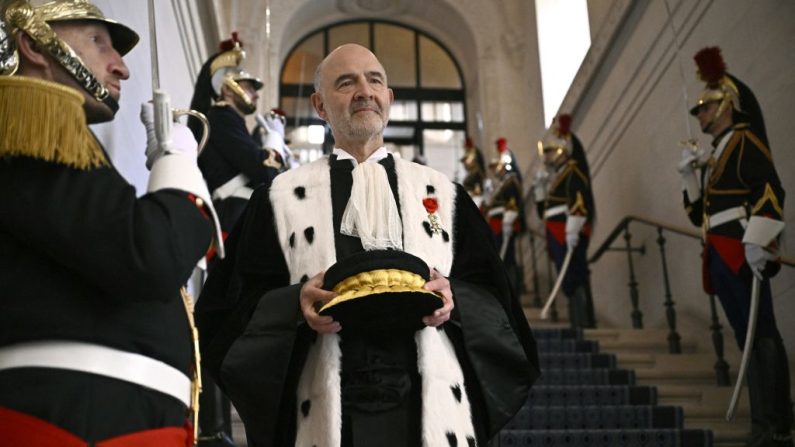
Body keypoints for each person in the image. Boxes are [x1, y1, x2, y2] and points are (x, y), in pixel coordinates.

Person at [195, 43, 539, 446]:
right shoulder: (277, 199)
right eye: (346, 82)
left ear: (389, 99)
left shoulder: (446, 196)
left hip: (427, 412)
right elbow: (224, 313)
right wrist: (293, 304)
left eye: (374, 80)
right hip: (326, 415)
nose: (364, 90)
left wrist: (455, 297)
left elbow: (499, 303)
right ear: (320, 106)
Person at [0, 0, 222, 445]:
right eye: (98, 42)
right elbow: (152, 254)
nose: (120, 67)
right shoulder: (28, 127)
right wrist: (179, 171)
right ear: (33, 44)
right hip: (78, 415)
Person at [678, 47, 791, 447]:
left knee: (762, 334)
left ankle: (775, 422)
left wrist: (761, 240)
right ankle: (761, 420)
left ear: (726, 105)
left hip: (743, 248)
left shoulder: (746, 142)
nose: (700, 116)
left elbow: (770, 192)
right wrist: (691, 178)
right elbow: (698, 216)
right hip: (719, 251)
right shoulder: (716, 155)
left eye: (705, 108)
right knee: (745, 337)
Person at [188, 33, 284, 247]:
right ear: (227, 88)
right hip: (234, 215)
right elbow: (264, 169)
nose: (256, 95)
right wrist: (274, 140)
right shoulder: (221, 117)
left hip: (241, 211)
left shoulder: (230, 121)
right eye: (250, 87)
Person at [533, 114, 596, 329]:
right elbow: (544, 210)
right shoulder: (557, 175)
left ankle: (582, 321)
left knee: (573, 273)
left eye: (550, 151)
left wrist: (573, 227)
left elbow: (579, 199)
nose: (547, 156)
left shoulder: (573, 171)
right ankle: (575, 318)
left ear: (562, 150)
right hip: (555, 227)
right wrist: (540, 191)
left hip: (566, 228)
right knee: (565, 273)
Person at [483, 137, 526, 297]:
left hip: (504, 223)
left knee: (507, 259)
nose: (494, 170)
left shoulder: (511, 181)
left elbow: (513, 203)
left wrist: (509, 219)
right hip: (495, 223)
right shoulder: (498, 184)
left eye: (496, 167)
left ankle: (512, 291)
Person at [460, 136, 487, 209]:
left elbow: (477, 193)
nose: (465, 165)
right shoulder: (470, 174)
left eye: (466, 162)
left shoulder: (477, 175)